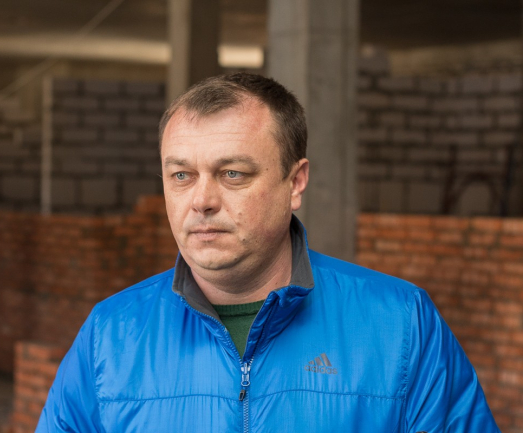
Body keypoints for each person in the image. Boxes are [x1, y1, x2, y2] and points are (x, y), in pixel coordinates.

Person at [37, 73, 499, 432]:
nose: (201, 200)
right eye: (181, 176)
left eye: (232, 174)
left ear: (295, 183)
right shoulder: (110, 334)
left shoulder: (402, 325)